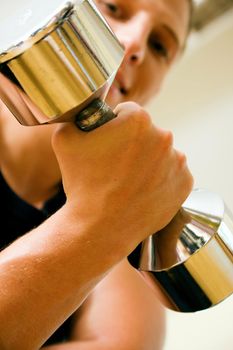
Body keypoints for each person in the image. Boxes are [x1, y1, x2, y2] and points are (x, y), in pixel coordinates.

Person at [0, 0, 193, 349]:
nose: (134, 44)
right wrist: (96, 223)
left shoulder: (134, 235)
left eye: (159, 46)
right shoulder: (123, 224)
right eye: (114, 7)